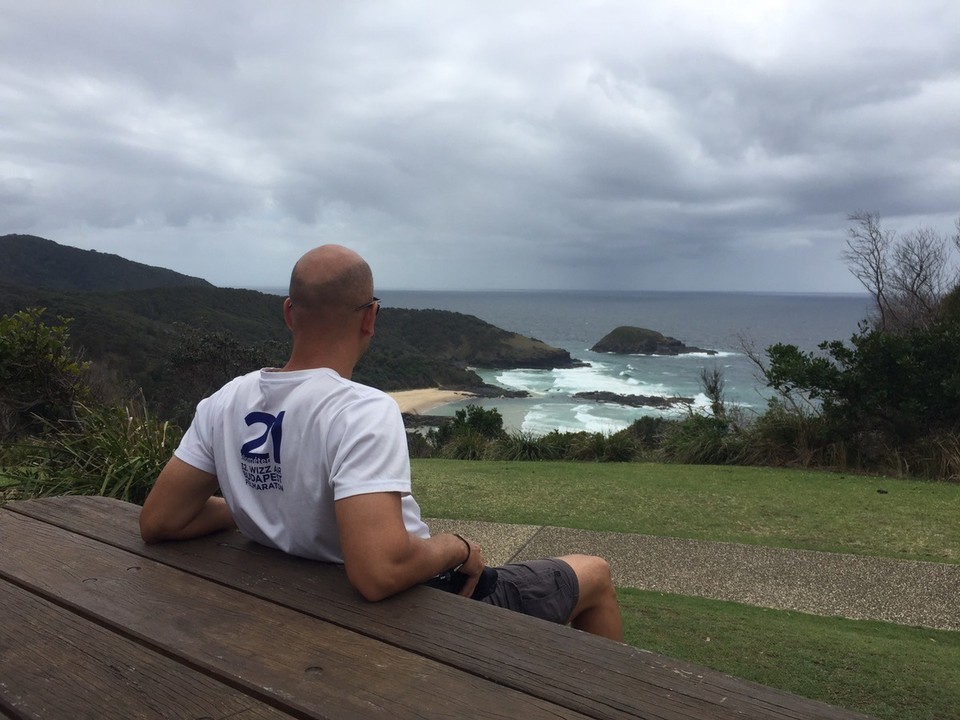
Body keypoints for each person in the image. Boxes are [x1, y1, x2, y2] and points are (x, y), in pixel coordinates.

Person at [139, 244, 623, 641]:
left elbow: (160, 519)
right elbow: (378, 573)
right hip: (422, 604)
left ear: (288, 313)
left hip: (298, 603)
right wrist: (457, 547)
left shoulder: (225, 401)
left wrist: (256, 501)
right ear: (370, 317)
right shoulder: (362, 409)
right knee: (595, 574)